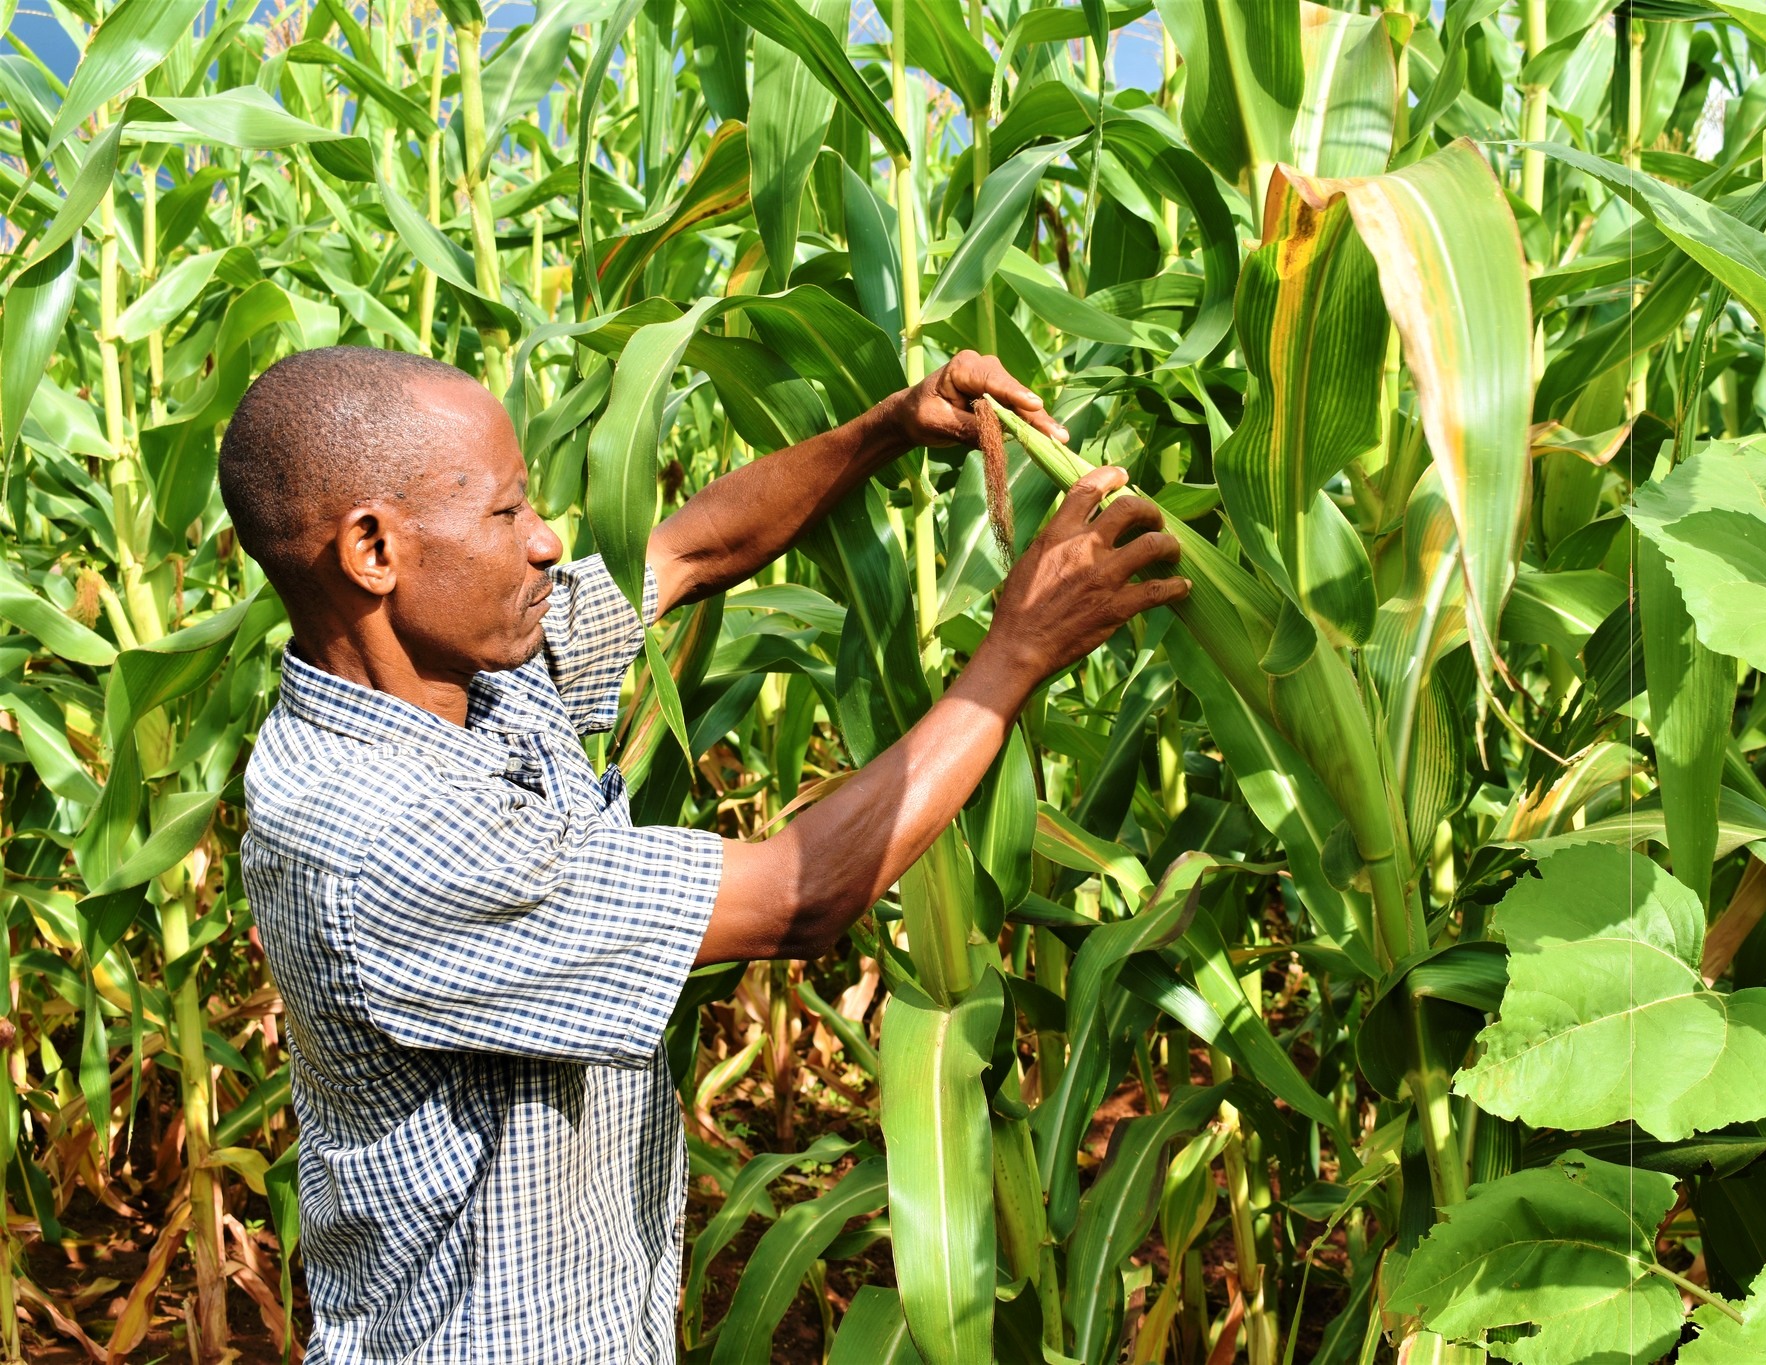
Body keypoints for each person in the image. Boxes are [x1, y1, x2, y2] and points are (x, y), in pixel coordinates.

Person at [217, 344, 1186, 1363]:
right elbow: (795, 899)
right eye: (505, 513)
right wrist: (1016, 652)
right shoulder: (386, 835)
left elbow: (688, 551)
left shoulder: (463, 676)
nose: (545, 541)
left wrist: (893, 425)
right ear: (373, 550)